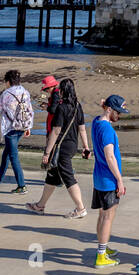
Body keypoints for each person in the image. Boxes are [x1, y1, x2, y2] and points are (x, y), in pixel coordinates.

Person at [26, 77, 90, 217]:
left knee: (68, 177)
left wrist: (47, 153)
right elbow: (82, 128)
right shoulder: (77, 105)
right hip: (73, 145)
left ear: (62, 91)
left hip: (61, 147)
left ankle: (80, 208)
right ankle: (40, 206)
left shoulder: (61, 107)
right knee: (52, 175)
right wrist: (86, 147)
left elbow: (55, 131)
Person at [91, 95, 128, 270]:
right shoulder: (107, 130)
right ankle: (101, 255)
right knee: (108, 217)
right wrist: (119, 180)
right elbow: (110, 156)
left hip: (98, 178)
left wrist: (105, 104)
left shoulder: (96, 122)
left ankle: (103, 247)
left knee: (102, 215)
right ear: (109, 109)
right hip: (108, 180)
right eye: (118, 112)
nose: (119, 116)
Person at [0, 69, 34, 193]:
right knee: (6, 155)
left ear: (8, 81)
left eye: (5, 82)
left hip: (11, 128)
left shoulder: (6, 93)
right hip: (22, 126)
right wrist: (28, 127)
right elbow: (30, 110)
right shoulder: (25, 92)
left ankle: (22, 185)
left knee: (13, 156)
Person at [40, 75, 61, 139]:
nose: (47, 91)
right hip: (56, 122)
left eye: (47, 89)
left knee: (50, 143)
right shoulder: (58, 92)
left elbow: (53, 110)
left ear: (51, 87)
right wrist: (47, 104)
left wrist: (46, 107)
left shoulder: (55, 94)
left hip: (54, 123)